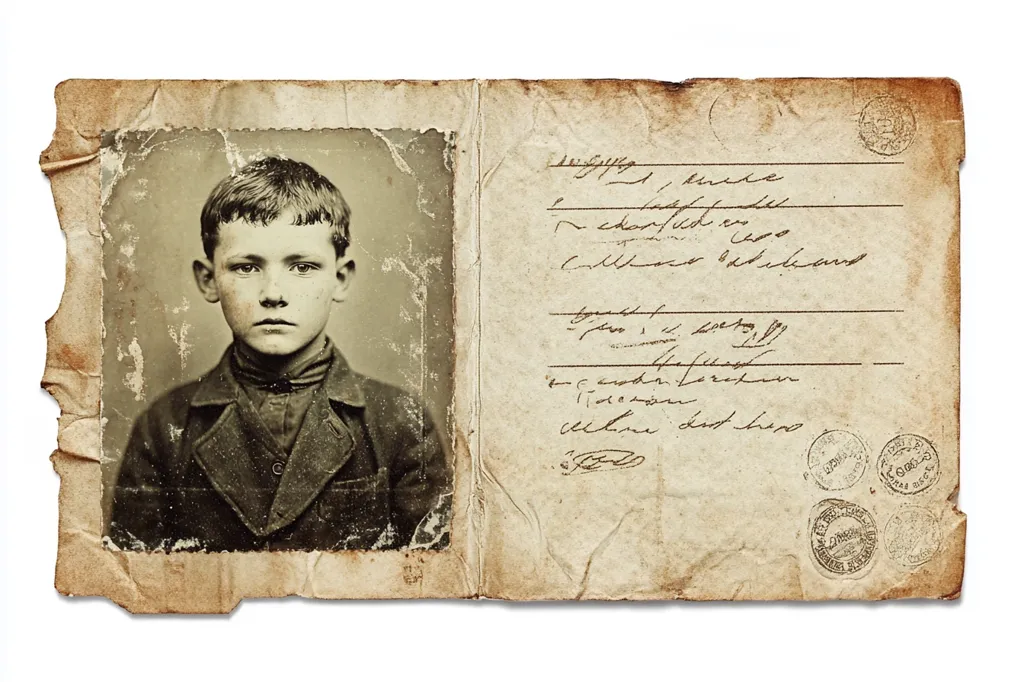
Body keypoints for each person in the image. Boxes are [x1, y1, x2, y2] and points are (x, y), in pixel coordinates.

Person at [109, 157, 451, 552]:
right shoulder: (164, 426)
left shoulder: (400, 422)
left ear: (339, 279)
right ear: (208, 280)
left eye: (302, 267)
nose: (274, 293)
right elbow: (138, 580)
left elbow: (428, 580)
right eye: (246, 267)